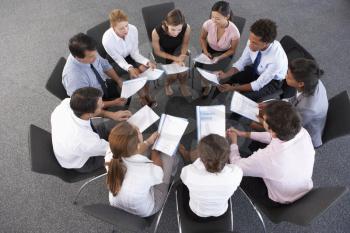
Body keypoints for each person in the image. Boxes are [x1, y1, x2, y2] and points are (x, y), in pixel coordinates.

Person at [227, 101, 315, 204]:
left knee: (231, 167)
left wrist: (233, 142)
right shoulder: (301, 131)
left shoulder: (268, 158)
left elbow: (236, 166)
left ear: (272, 131)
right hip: (302, 186)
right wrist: (244, 134)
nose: (261, 119)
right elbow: (273, 137)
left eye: (263, 119)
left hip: (282, 197)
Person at [51, 87, 131, 173]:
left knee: (112, 127)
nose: (103, 105)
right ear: (90, 114)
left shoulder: (67, 103)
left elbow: (94, 112)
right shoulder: (84, 140)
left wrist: (112, 114)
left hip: (71, 144)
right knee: (124, 154)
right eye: (100, 107)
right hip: (82, 162)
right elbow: (113, 150)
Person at [105, 122, 177, 217]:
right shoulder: (147, 170)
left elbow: (130, 151)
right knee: (169, 156)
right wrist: (154, 150)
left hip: (116, 204)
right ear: (138, 144)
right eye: (138, 132)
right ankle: (173, 173)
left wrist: (148, 142)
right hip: (145, 210)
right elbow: (159, 171)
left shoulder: (111, 155)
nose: (140, 131)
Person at [214, 19, 288, 101]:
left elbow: (257, 85)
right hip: (257, 69)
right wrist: (225, 74)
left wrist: (232, 88)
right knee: (230, 79)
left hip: (272, 81)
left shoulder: (276, 60)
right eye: (250, 39)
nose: (250, 44)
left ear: (266, 43)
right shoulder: (253, 41)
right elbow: (242, 62)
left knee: (244, 99)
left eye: (254, 43)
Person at [179, 134, 243, 219]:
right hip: (221, 211)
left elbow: (184, 178)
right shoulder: (236, 173)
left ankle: (188, 154)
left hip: (197, 212)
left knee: (184, 187)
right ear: (227, 155)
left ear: (200, 156)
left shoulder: (189, 171)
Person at [102, 9, 157, 107]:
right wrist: (130, 68)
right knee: (135, 73)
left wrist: (147, 62)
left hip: (130, 55)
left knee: (145, 69)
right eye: (121, 28)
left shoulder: (133, 29)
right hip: (115, 61)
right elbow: (119, 59)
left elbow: (135, 52)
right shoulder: (107, 40)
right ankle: (142, 97)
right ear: (113, 27)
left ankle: (147, 94)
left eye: (126, 25)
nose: (126, 30)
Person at [62, 33, 126, 109]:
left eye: (95, 53)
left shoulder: (90, 51)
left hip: (103, 86)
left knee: (130, 84)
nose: (96, 57)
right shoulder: (74, 78)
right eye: (91, 57)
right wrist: (113, 103)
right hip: (93, 104)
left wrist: (118, 80)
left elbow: (104, 65)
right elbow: (86, 104)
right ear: (78, 58)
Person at [198, 1, 240, 96]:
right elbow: (202, 38)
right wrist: (205, 51)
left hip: (224, 53)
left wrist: (219, 58)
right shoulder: (208, 23)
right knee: (202, 69)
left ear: (227, 17)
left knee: (214, 72)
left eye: (217, 18)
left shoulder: (234, 32)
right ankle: (206, 84)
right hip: (208, 49)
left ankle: (210, 83)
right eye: (212, 17)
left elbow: (232, 50)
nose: (213, 20)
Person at [285, 58, 328, 147]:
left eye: (289, 77)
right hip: (304, 115)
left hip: (305, 135)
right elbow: (295, 98)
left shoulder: (307, 108)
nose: (285, 76)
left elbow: (291, 128)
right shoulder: (313, 79)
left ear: (301, 84)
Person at [152, 9, 191, 96]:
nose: (176, 33)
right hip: (163, 52)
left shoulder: (186, 27)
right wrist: (175, 59)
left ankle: (182, 85)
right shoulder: (156, 32)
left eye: (179, 29)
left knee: (183, 72)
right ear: (166, 24)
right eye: (173, 29)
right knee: (173, 76)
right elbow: (157, 51)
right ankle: (167, 85)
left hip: (177, 50)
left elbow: (185, 44)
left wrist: (182, 57)